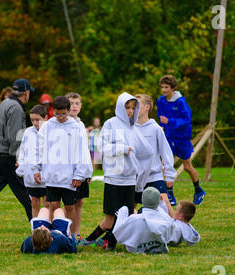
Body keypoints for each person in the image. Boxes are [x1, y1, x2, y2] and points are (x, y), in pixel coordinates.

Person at [78, 92, 153, 250]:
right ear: (120, 107)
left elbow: (146, 151)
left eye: (133, 108)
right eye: (127, 107)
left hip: (130, 179)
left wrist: (142, 167)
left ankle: (111, 243)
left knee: (127, 216)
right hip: (114, 178)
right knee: (111, 216)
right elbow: (101, 147)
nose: (130, 111)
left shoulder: (133, 127)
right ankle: (91, 239)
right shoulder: (111, 124)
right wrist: (123, 149)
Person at [32, 96, 91, 234]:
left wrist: (80, 174)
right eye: (57, 114)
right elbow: (39, 149)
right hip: (52, 175)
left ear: (69, 110)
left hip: (69, 176)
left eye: (63, 114)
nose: (60, 117)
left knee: (70, 206)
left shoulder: (76, 127)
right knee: (52, 205)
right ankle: (54, 233)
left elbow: (83, 152)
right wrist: (36, 169)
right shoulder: (47, 126)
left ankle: (69, 234)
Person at [0, 78, 34, 223]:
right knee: (24, 192)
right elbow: (15, 135)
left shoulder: (5, 103)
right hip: (9, 155)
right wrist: (18, 157)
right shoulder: (16, 107)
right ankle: (36, 221)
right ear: (25, 93)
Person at [156, 75, 205, 205]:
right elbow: (161, 118)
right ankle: (169, 193)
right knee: (166, 164)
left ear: (173, 88)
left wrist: (170, 121)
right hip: (168, 137)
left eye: (166, 87)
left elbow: (187, 120)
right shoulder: (160, 101)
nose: (164, 90)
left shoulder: (181, 102)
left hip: (182, 137)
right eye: (162, 87)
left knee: (187, 166)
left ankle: (198, 190)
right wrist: (162, 127)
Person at [113, 187, 200, 254]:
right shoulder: (168, 221)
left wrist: (122, 212)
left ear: (143, 200)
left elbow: (118, 233)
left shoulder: (134, 219)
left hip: (135, 248)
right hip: (158, 247)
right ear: (158, 203)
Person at [134, 94, 176, 208]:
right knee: (130, 206)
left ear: (147, 107)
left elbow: (166, 152)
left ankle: (173, 225)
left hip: (155, 175)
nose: (134, 109)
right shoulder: (131, 128)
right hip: (137, 177)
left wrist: (169, 175)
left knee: (165, 203)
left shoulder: (155, 128)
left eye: (137, 105)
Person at [66, 92, 93, 238]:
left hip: (82, 170)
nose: (74, 106)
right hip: (70, 170)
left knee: (80, 202)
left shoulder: (81, 124)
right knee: (69, 204)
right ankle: (68, 233)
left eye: (77, 103)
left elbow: (85, 150)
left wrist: (88, 172)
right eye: (71, 103)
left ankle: (77, 234)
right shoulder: (65, 124)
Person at [15, 104, 49, 218]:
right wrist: (21, 162)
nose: (35, 123)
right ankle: (35, 228)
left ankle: (47, 228)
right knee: (34, 202)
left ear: (46, 118)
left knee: (47, 203)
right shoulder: (28, 132)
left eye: (37, 120)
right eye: (32, 120)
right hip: (31, 174)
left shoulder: (51, 132)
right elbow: (23, 150)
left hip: (46, 173)